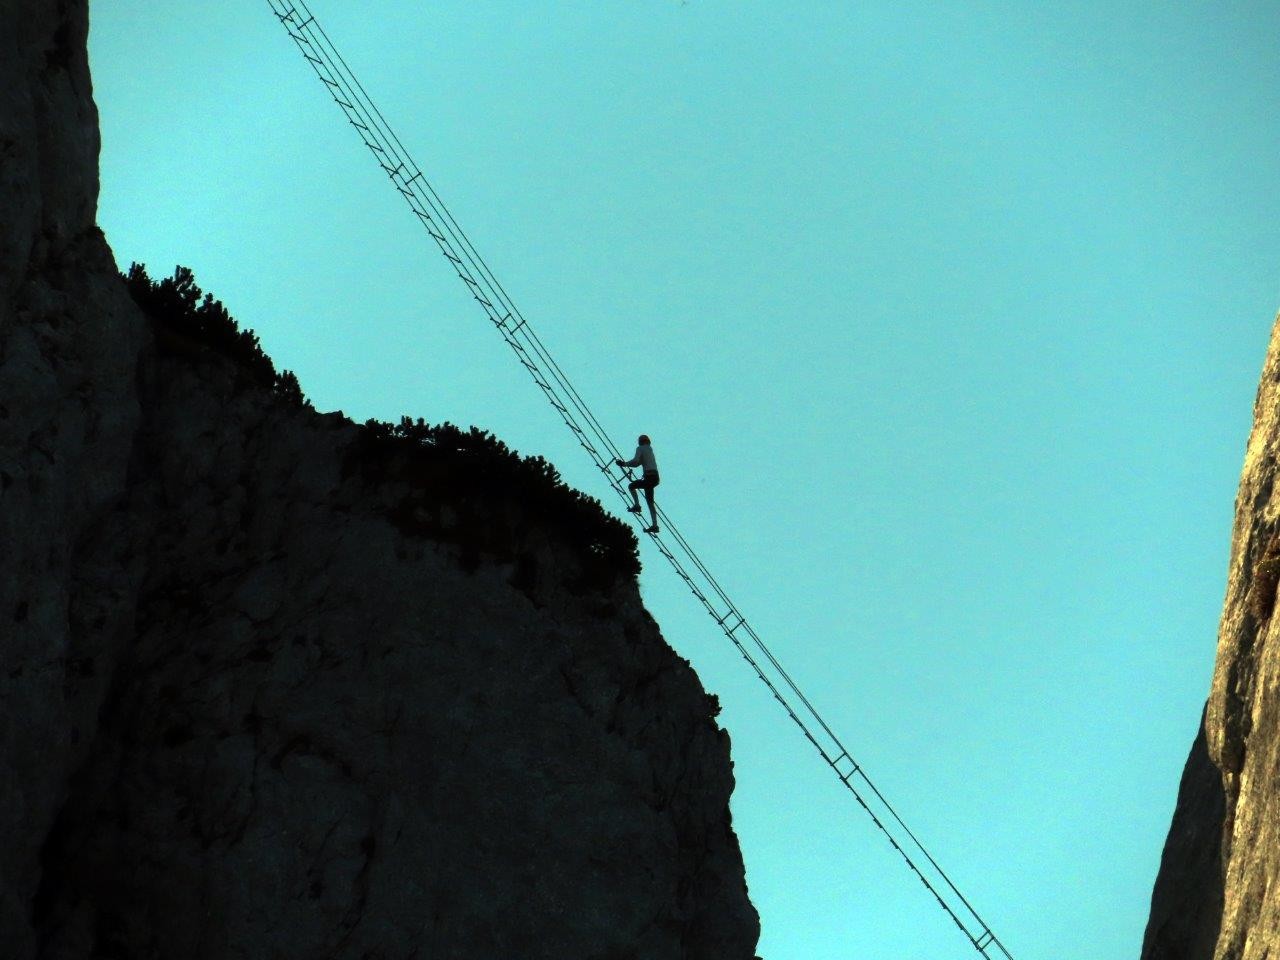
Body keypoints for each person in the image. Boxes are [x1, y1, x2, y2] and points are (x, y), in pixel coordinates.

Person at [616, 434, 660, 534]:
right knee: (650, 502)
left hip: (649, 477)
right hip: (655, 477)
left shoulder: (640, 448)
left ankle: (637, 505)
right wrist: (625, 464)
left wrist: (624, 464)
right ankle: (655, 525)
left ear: (640, 441)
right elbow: (637, 463)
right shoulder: (649, 449)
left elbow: (635, 461)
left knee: (631, 486)